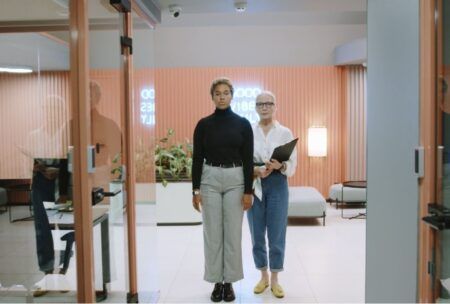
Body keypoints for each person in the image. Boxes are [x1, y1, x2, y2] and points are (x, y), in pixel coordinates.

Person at [192, 77, 254, 302]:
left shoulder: (243, 124)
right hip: (209, 179)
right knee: (212, 233)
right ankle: (216, 282)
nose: (221, 96)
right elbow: (197, 158)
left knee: (232, 233)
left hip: (236, 179)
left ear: (232, 95)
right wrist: (195, 189)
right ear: (212, 96)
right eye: (217, 93)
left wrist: (248, 191)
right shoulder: (203, 124)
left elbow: (248, 160)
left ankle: (230, 283)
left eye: (226, 92)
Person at [247, 91, 297, 298]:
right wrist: (256, 169)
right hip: (255, 182)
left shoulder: (284, 132)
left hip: (277, 183)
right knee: (256, 233)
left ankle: (275, 278)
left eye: (268, 103)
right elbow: (243, 160)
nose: (264, 107)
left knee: (277, 233)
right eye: (260, 104)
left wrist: (281, 165)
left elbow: (293, 164)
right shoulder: (248, 131)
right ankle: (263, 276)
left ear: (275, 106)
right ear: (256, 108)